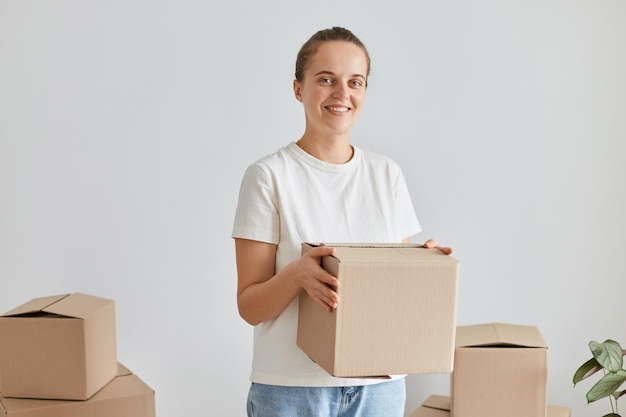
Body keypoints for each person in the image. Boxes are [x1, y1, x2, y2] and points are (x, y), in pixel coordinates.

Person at [232, 26, 452, 417]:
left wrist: (423, 265)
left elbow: (391, 289)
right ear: (299, 89)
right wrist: (297, 276)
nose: (342, 93)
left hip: (379, 389)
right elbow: (250, 306)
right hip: (291, 391)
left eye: (355, 82)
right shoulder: (269, 176)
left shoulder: (387, 174)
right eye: (326, 80)